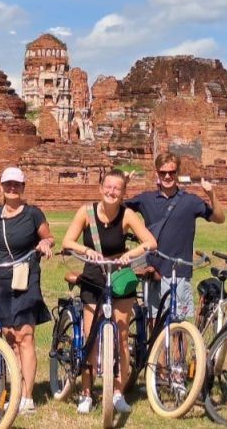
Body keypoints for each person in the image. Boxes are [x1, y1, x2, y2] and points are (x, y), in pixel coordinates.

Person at [61, 169, 156, 416]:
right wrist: (86, 250)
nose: (112, 192)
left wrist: (130, 255)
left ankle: (117, 393)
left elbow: (150, 242)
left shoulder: (127, 215)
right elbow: (67, 242)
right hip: (94, 277)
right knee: (90, 337)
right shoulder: (86, 212)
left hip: (119, 277)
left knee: (122, 337)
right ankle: (86, 393)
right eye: (108, 187)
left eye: (118, 189)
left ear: (124, 192)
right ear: (101, 188)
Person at [0, 166, 54, 415]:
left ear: (23, 187)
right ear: (2, 187)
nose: (12, 188)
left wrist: (44, 243)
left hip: (26, 279)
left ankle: (27, 397)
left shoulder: (33, 214)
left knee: (25, 337)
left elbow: (49, 237)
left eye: (17, 184)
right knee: (9, 338)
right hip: (2, 280)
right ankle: (14, 391)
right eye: (8, 184)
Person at [125, 152, 225, 322]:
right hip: (153, 271)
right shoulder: (145, 199)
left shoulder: (190, 201)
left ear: (177, 173)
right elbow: (115, 209)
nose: (167, 176)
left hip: (179, 272)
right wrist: (123, 185)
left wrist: (211, 194)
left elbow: (219, 218)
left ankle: (180, 350)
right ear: (157, 173)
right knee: (154, 323)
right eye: (163, 172)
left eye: (172, 172)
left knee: (179, 327)